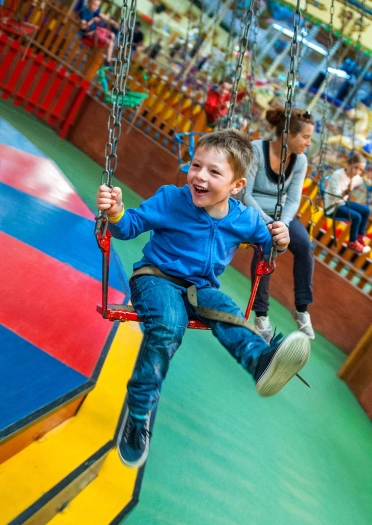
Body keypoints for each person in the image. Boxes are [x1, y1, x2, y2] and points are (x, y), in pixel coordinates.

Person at [96, 129, 311, 469]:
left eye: (214, 172)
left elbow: (267, 246)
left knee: (227, 312)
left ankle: (260, 362)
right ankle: (138, 413)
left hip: (201, 287)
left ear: (237, 186)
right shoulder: (172, 199)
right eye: (196, 165)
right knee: (168, 326)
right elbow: (129, 227)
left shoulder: (246, 218)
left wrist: (280, 240)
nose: (199, 176)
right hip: (156, 277)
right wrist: (117, 212)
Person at [240, 106, 315, 343]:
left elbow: (294, 199)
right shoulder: (257, 150)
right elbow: (245, 194)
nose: (308, 143)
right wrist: (270, 222)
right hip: (256, 211)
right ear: (287, 134)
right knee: (267, 246)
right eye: (305, 137)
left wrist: (282, 223)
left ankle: (301, 308)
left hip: (282, 215)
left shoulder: (300, 161)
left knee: (304, 244)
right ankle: (261, 314)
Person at [324, 153, 371, 255]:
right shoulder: (338, 175)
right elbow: (336, 195)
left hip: (342, 203)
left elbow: (363, 180)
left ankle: (360, 236)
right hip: (333, 206)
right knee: (357, 217)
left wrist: (368, 178)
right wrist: (346, 192)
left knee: (366, 210)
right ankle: (352, 242)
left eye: (360, 169)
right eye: (355, 168)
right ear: (348, 164)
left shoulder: (356, 177)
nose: (357, 172)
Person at [78, 0, 119, 65]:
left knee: (112, 35)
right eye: (94, 4)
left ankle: (108, 60)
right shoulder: (84, 11)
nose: (95, 7)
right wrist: (93, 20)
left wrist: (113, 23)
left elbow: (104, 17)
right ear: (89, 2)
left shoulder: (95, 10)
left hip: (96, 31)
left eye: (97, 5)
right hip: (89, 33)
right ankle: (107, 59)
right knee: (109, 41)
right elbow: (83, 27)